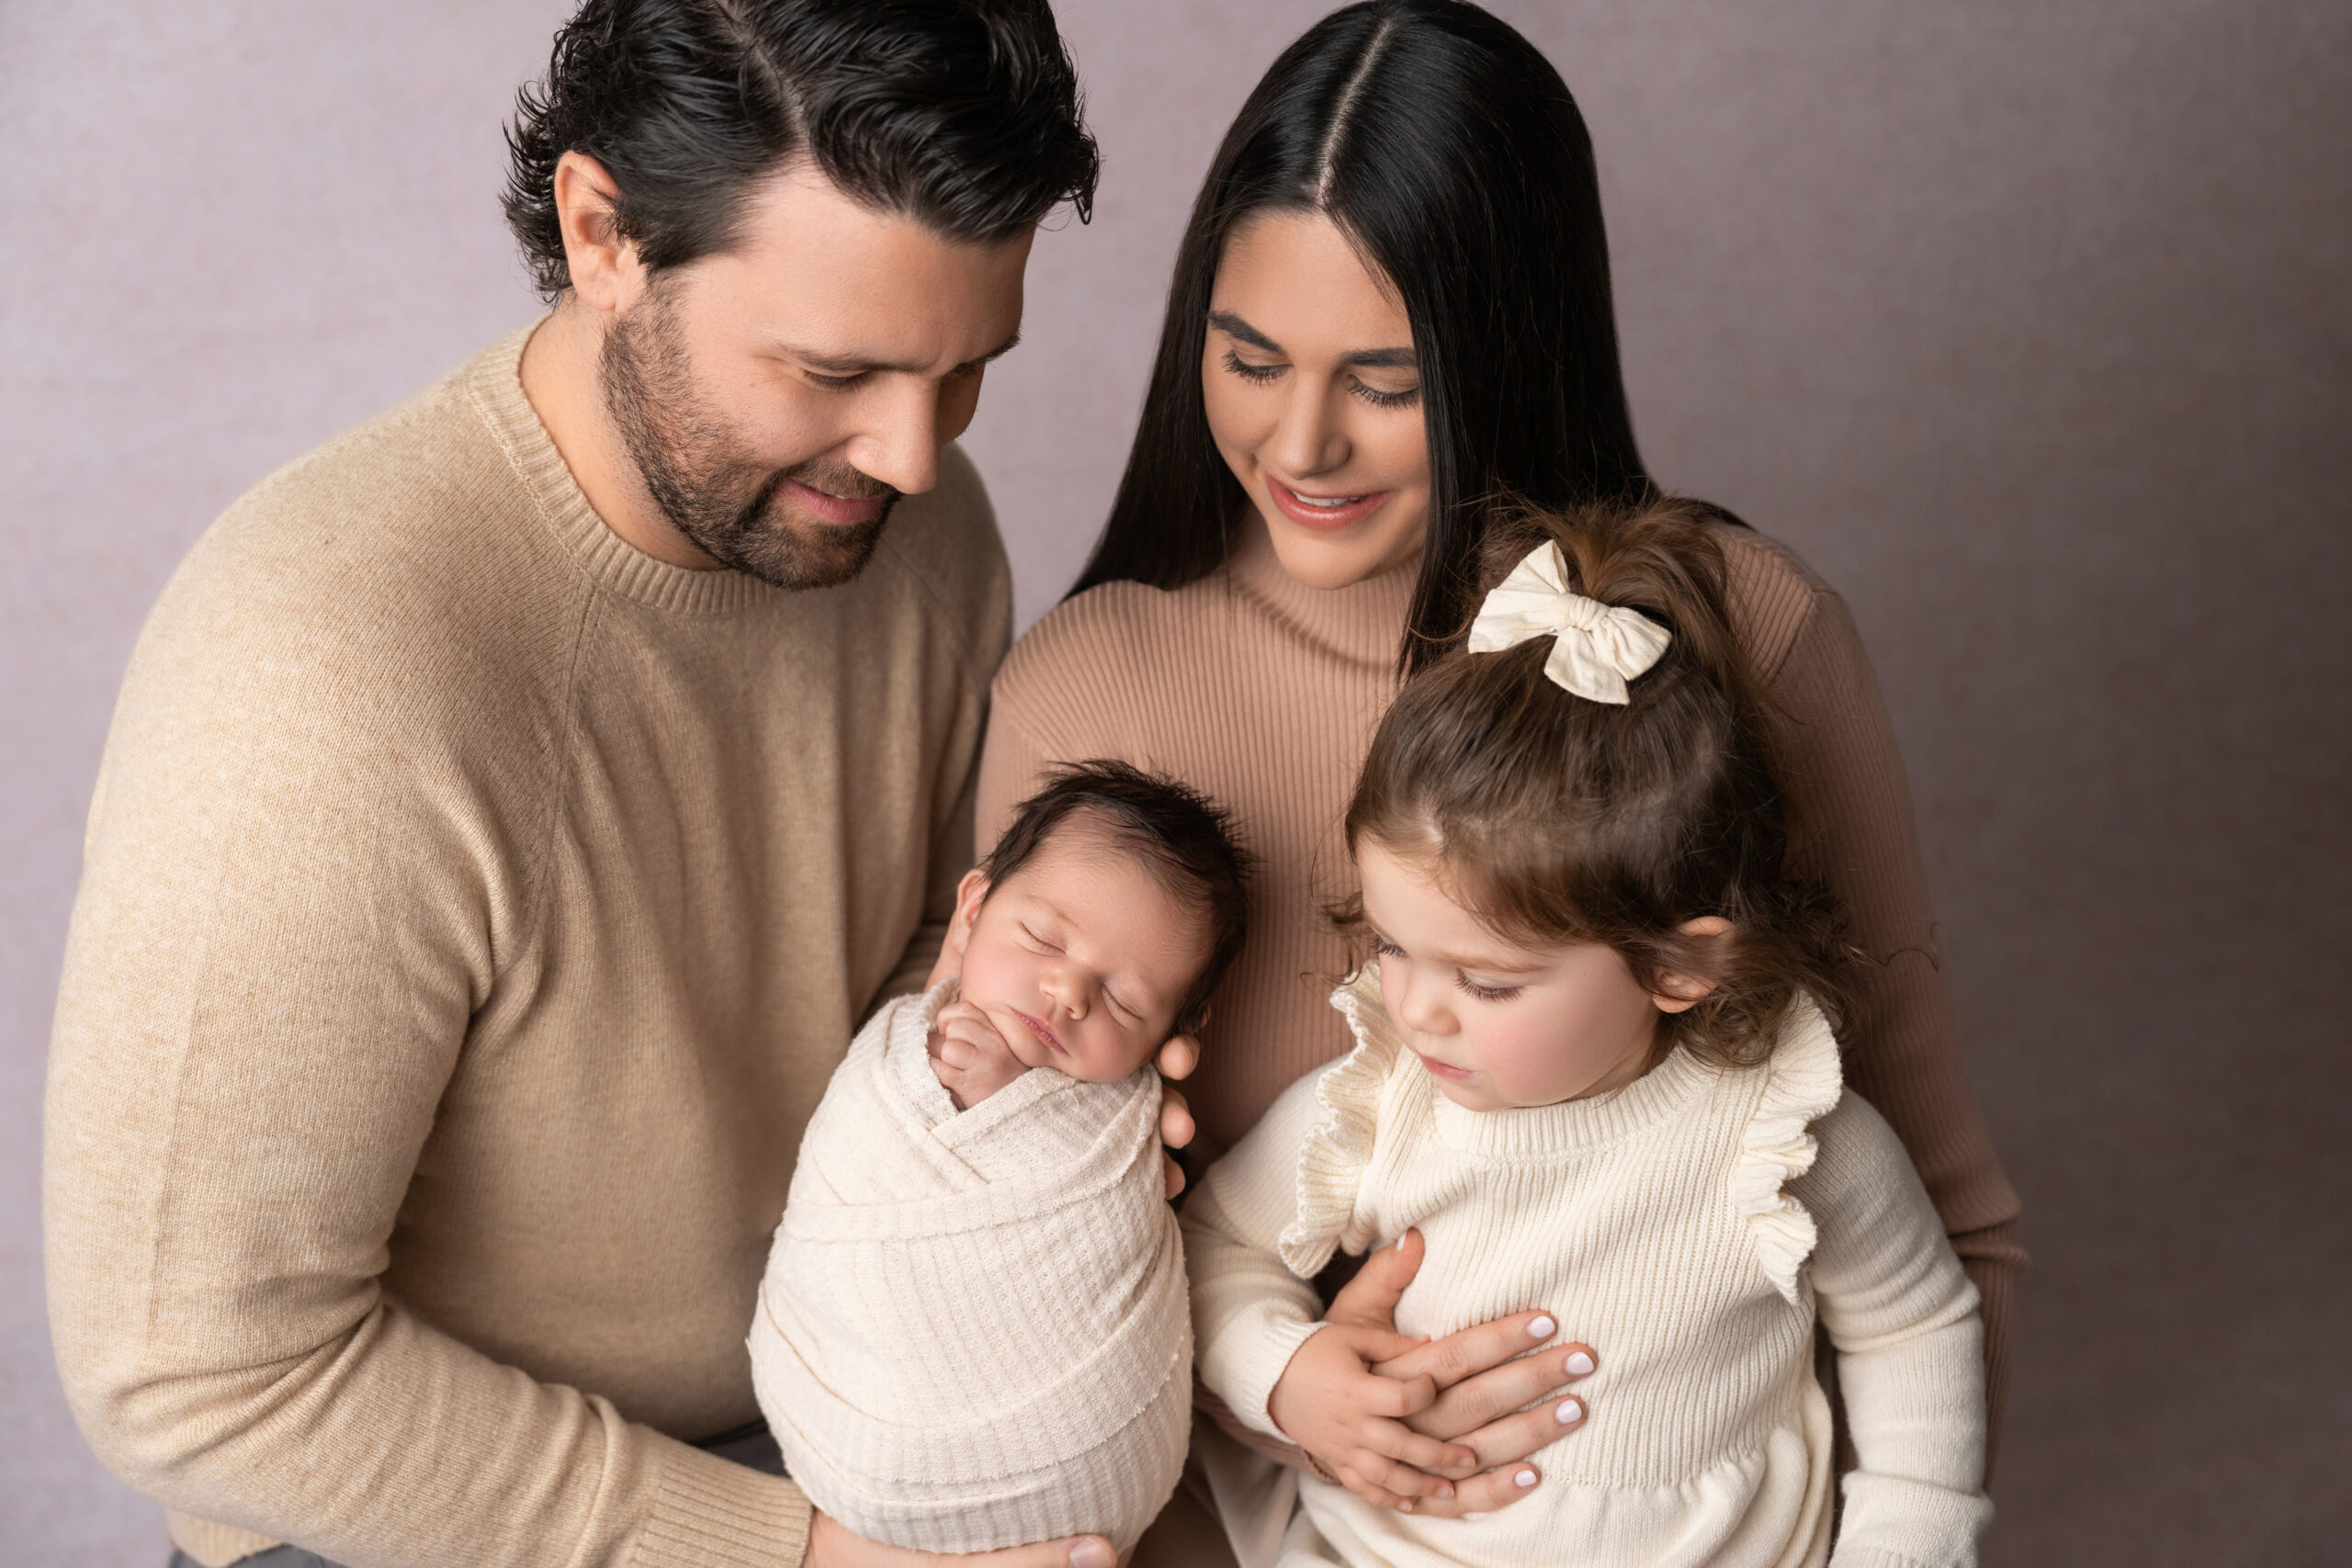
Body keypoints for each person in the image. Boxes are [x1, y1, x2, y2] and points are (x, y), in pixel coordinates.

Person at [44, 5, 1176, 1567]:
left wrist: (1031, 1097)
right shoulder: (320, 671)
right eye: (833, 367)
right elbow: (198, 1375)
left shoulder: (918, 532)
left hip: (823, 1401)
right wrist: (794, 1555)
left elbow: (920, 948)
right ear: (604, 234)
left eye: (969, 368)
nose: (916, 453)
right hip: (420, 1511)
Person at [975, 0, 2024, 1555]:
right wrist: (1284, 1382)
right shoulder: (1090, 684)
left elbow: (1945, 1235)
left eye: (1385, 382)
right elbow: (986, 1230)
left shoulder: (1736, 639)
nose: (1302, 443)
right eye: (1248, 356)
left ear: (1501, 351)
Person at [1182, 497, 1990, 1567]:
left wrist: (1904, 1545)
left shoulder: (1779, 1134)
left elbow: (1913, 1326)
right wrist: (1285, 1376)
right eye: (1391, 945)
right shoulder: (1381, 1101)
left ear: (1678, 967)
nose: (1415, 1007)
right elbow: (1214, 1245)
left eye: (1487, 981)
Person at [752, 764, 1251, 1558]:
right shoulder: (902, 1057)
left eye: (1125, 1000)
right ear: (974, 907)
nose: (1068, 992)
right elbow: (873, 1143)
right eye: (1044, 939)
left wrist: (1026, 1106)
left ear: (1168, 1038)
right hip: (846, 1442)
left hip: (1094, 1486)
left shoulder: (1121, 1118)